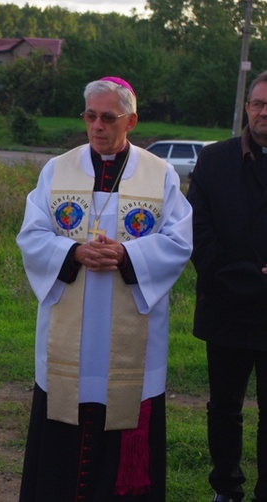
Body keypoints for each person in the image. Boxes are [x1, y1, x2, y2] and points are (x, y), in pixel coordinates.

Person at [16, 76, 193, 500]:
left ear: (131, 120)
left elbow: (179, 241)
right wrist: (73, 253)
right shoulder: (57, 169)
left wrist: (128, 257)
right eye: (90, 116)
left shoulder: (160, 174)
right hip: (67, 337)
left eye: (108, 117)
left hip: (132, 340)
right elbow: (32, 234)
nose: (97, 126)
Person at [187, 70, 267, 502]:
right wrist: (250, 280)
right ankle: (226, 489)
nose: (263, 112)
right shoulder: (214, 160)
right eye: (257, 104)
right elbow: (198, 235)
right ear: (247, 109)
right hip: (225, 307)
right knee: (224, 409)